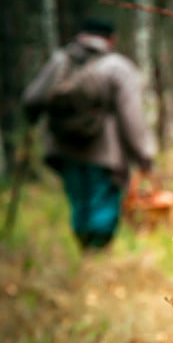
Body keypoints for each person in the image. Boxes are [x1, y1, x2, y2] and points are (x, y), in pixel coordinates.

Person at [22, 18, 155, 250]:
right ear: (111, 39)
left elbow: (32, 99)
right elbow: (131, 116)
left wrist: (32, 120)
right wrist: (144, 156)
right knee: (102, 203)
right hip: (104, 152)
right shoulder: (117, 67)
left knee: (80, 203)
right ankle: (98, 255)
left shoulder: (60, 60)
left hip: (64, 149)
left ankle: (85, 252)